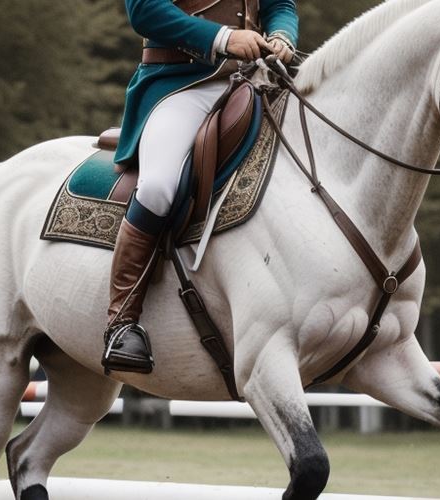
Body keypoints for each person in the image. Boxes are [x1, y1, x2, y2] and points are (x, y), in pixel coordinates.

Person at [103, 0, 299, 374]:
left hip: (256, 82)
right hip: (180, 84)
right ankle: (121, 321)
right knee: (159, 186)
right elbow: (144, 10)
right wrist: (223, 38)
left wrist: (281, 35)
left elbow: (280, 5)